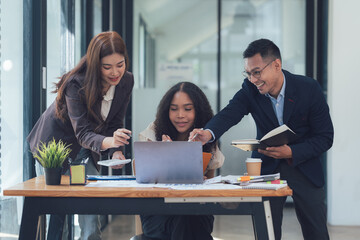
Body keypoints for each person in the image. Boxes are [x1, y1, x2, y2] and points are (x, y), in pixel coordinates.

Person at [190, 39, 334, 240]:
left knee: (316, 233)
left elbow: (325, 137)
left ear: (276, 65)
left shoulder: (308, 89)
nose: (252, 79)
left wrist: (291, 152)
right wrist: (208, 133)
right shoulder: (250, 89)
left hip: (305, 167)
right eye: (248, 73)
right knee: (267, 233)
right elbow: (231, 113)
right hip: (266, 168)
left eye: (256, 72)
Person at [27, 31, 134, 240]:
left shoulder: (126, 81)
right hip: (54, 148)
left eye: (120, 64)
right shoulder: (76, 83)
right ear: (95, 64)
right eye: (107, 67)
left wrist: (117, 150)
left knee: (91, 211)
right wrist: (109, 141)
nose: (115, 72)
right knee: (59, 215)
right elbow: (83, 132)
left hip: (87, 148)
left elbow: (114, 122)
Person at [139, 82, 224, 240]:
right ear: (167, 110)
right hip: (159, 212)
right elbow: (142, 178)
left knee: (186, 216)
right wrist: (164, 156)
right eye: (174, 109)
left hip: (196, 210)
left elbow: (211, 189)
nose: (180, 115)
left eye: (187, 109)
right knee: (183, 219)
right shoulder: (154, 132)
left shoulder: (206, 136)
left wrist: (203, 182)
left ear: (198, 110)